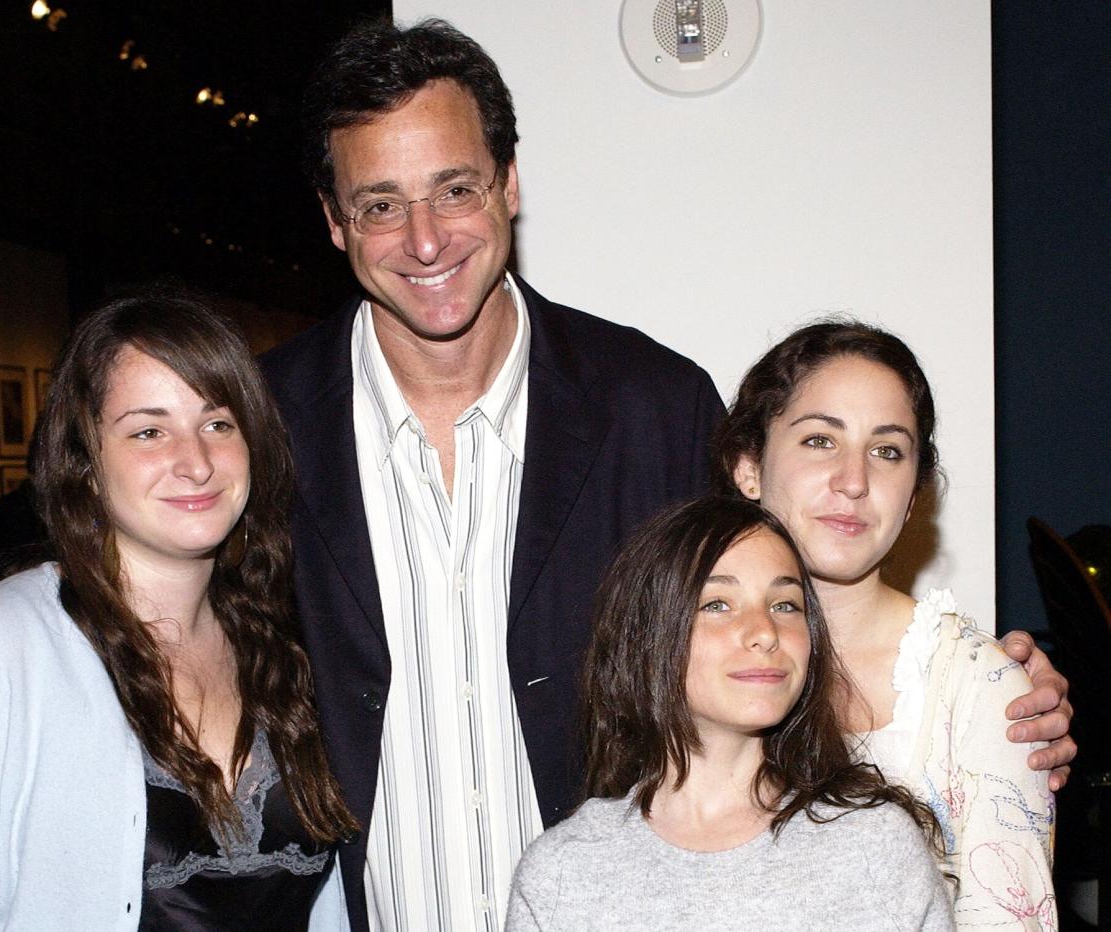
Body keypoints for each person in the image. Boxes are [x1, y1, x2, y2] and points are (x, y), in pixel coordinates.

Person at [259, 18, 1072, 931]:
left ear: (510, 185)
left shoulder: (654, 405)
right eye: (378, 204)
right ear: (334, 221)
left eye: (455, 189)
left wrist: (973, 691)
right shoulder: (264, 424)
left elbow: (768, 604)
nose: (425, 238)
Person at [0, 292, 355, 929]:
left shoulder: (288, 641)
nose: (195, 463)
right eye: (149, 431)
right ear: (84, 461)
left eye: (218, 423)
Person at [714, 320, 1056, 928]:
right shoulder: (689, 663)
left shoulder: (977, 690)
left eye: (887, 450)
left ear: (915, 492)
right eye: (820, 440)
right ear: (749, 466)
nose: (854, 481)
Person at [507, 497, 954, 930]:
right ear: (648, 637)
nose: (764, 632)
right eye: (717, 604)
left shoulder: (875, 847)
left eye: (785, 606)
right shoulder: (564, 872)